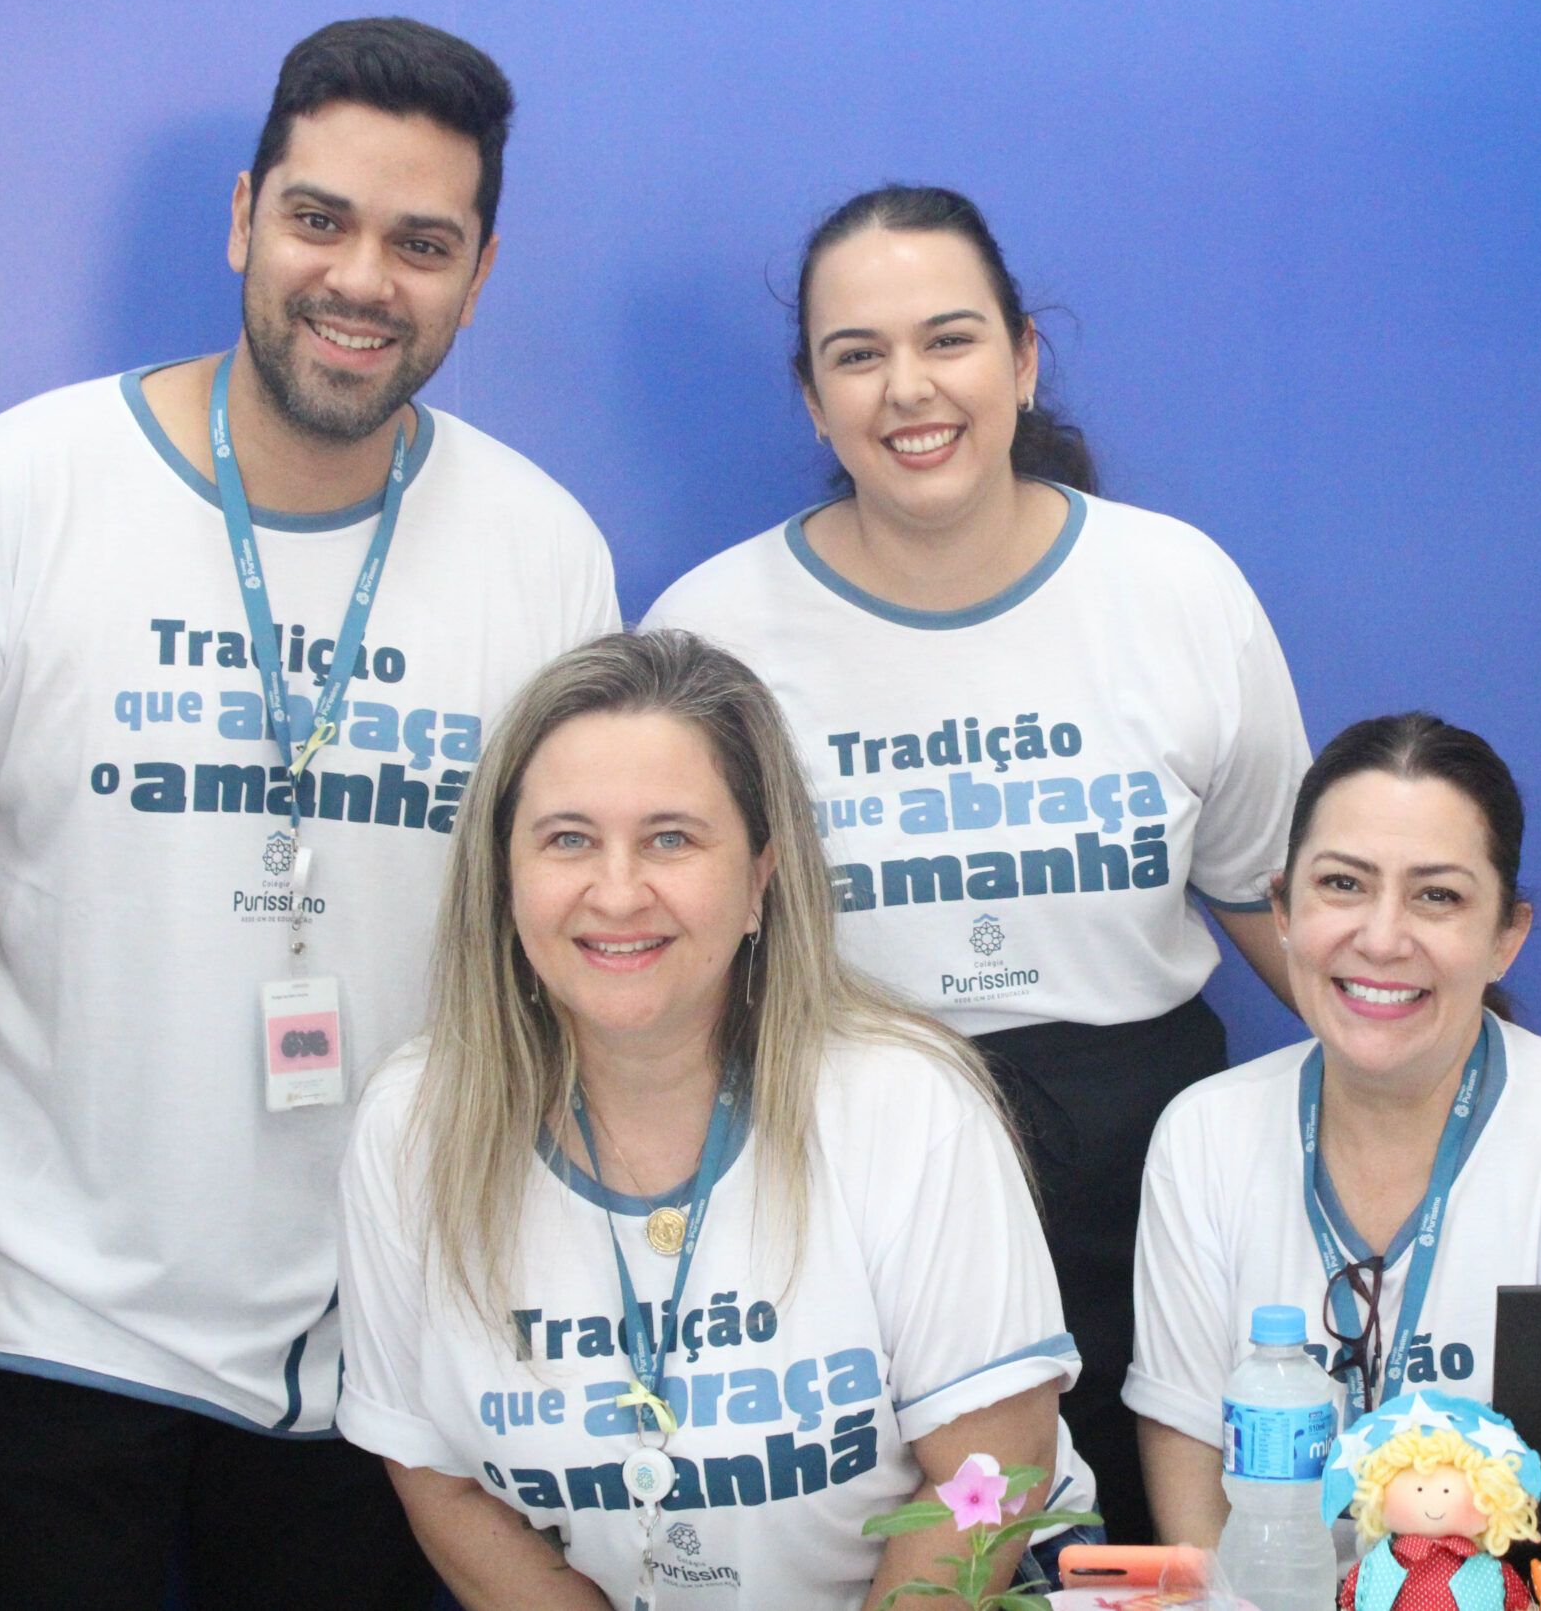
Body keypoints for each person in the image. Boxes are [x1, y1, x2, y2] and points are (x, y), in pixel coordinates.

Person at [0, 17, 619, 1607]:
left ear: (479, 273)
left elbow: (584, 944)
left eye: (421, 243)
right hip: (29, 1335)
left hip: (388, 1346)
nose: (361, 278)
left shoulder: (542, 550)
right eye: (319, 218)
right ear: (245, 217)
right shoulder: (10, 497)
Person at [642, 184, 1310, 1538]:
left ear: (1022, 357)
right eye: (857, 354)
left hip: (1141, 1182)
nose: (910, 388)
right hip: (844, 1186)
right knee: (903, 1566)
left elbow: (1284, 906)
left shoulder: (1177, 588)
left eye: (948, 338)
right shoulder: (713, 631)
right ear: (812, 398)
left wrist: (1459, 1094)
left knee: (1153, 1560)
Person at [336, 629, 1093, 1609]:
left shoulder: (905, 1102)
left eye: (671, 839)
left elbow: (993, 1468)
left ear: (759, 879)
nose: (617, 892)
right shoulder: (413, 1125)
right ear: (504, 876)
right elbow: (434, 1476)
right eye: (568, 839)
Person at [1125, 712, 1541, 1552]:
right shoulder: (1203, 1137)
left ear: (1507, 937)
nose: (1382, 937)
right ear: (1281, 909)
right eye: (1342, 883)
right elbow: (1191, 1494)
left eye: (1437, 895)